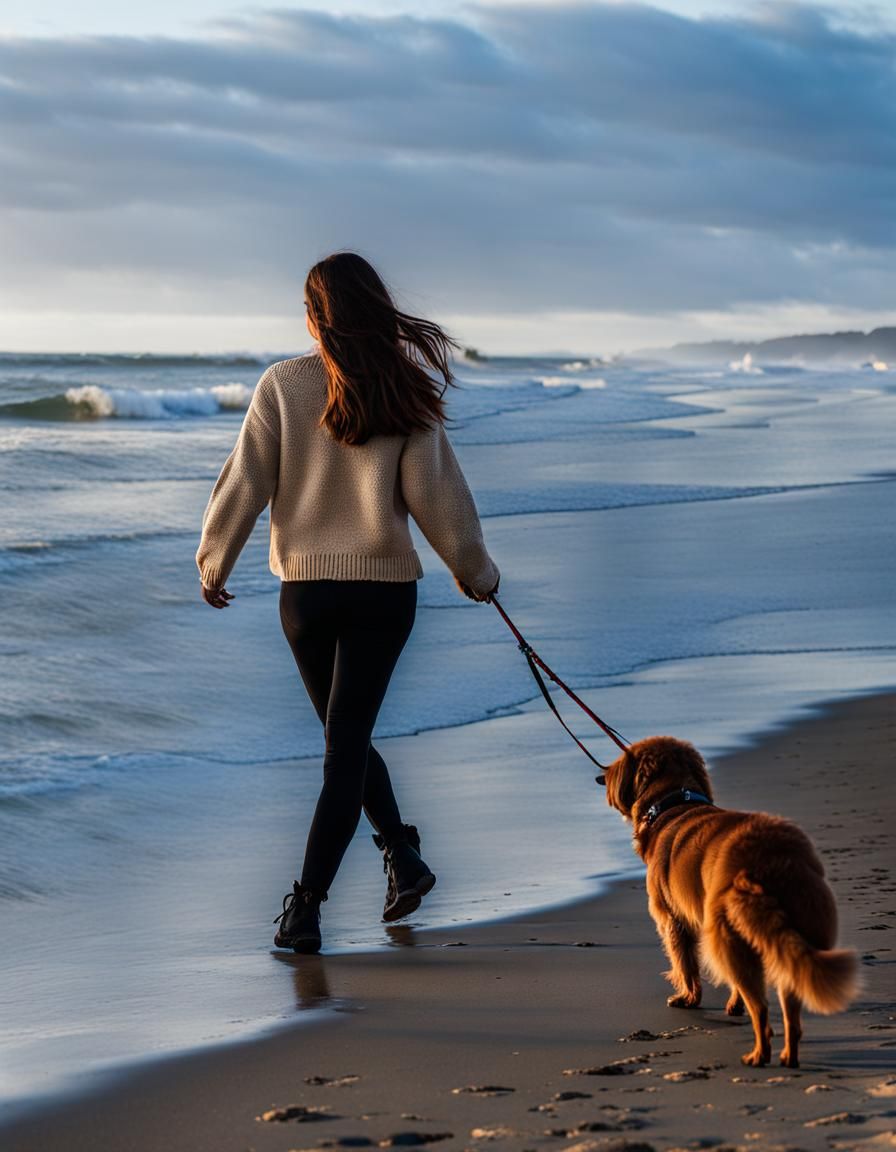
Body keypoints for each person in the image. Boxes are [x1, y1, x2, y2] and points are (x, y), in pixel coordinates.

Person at [196, 252, 500, 954]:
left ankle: (306, 907)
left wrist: (215, 561)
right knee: (348, 742)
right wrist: (474, 571)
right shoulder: (406, 390)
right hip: (384, 596)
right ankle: (401, 854)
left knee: (343, 747)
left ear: (314, 315)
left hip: (306, 597)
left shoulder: (282, 385)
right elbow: (439, 499)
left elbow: (247, 479)